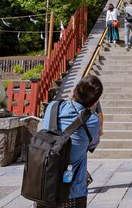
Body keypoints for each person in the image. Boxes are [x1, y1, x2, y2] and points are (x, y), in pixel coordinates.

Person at [41, 76, 103, 208]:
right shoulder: (92, 121)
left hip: (44, 185)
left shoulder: (52, 107)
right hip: (72, 192)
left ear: (74, 90)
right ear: (94, 103)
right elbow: (92, 144)